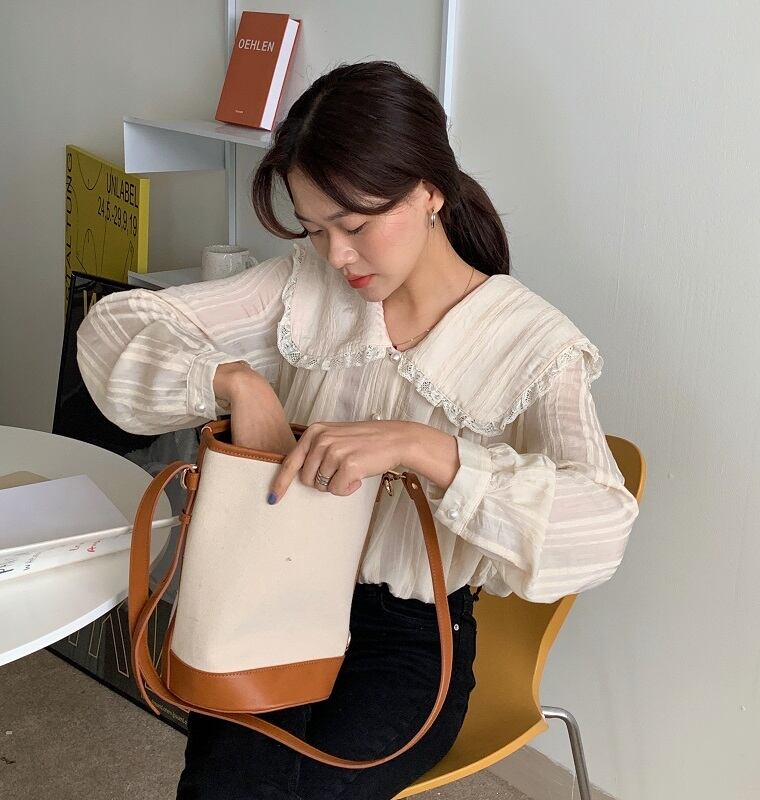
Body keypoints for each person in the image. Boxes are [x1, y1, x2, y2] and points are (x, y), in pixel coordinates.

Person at [76, 60, 640, 800]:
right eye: (315, 229)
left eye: (354, 225)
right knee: (227, 786)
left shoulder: (531, 344)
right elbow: (112, 332)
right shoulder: (304, 291)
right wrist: (235, 381)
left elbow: (599, 526)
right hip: (269, 590)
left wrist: (423, 447)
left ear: (430, 190)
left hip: (410, 638)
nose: (337, 256)